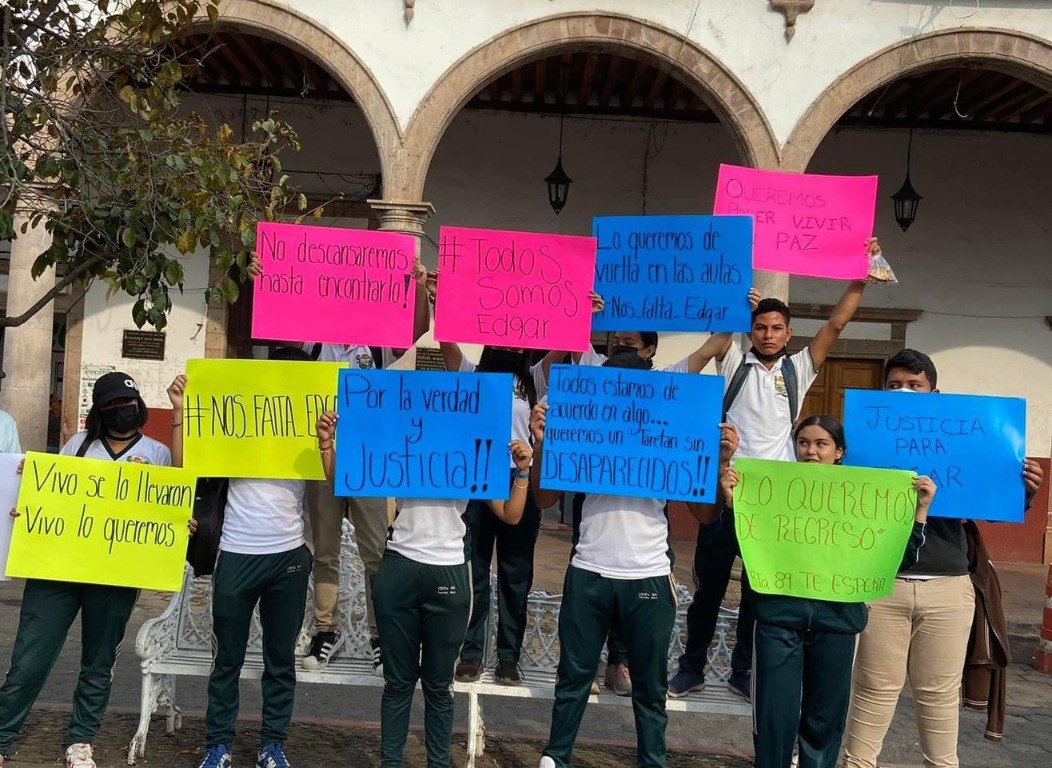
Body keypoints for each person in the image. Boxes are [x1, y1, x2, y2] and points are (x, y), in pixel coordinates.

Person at [671, 243, 879, 701]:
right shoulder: (732, 362)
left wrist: (860, 275)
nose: (768, 334)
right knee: (707, 589)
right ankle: (692, 666)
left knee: (757, 591)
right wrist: (731, 305)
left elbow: (837, 324)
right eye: (760, 327)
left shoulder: (799, 369)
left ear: (788, 333)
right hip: (726, 492)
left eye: (776, 328)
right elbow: (716, 342)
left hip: (775, 503)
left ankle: (743, 670)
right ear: (752, 330)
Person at [530, 351, 741, 768]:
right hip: (590, 568)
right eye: (614, 388)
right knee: (573, 677)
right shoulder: (584, 427)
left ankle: (652, 760)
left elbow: (703, 514)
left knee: (649, 686)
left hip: (648, 575)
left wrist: (720, 462)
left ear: (653, 393)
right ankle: (556, 757)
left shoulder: (671, 431)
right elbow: (544, 498)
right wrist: (543, 445)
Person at [842, 349, 1045, 768]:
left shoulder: (963, 440)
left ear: (935, 392)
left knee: (937, 694)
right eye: (895, 384)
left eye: (915, 385)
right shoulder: (862, 443)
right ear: (883, 391)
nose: (905, 392)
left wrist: (1024, 490)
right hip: (882, 585)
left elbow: (994, 504)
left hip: (949, 588)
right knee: (873, 689)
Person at [315, 410, 533, 768]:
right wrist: (327, 443)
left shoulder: (471, 452)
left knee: (438, 684)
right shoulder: (402, 446)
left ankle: (437, 762)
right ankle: (391, 763)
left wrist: (522, 471)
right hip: (400, 565)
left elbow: (510, 514)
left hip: (447, 571)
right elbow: (346, 481)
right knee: (398, 682)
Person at [722, 414, 932, 768]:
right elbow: (745, 547)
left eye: (821, 444)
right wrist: (733, 506)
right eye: (804, 443)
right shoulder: (772, 490)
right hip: (778, 620)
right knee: (774, 719)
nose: (811, 451)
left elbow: (899, 560)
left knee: (825, 720)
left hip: (837, 622)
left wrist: (921, 511)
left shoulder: (866, 497)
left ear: (839, 451)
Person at [0, 373, 175, 768]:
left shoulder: (158, 453)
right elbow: (50, 495)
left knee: (99, 663)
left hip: (115, 576)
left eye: (128, 403)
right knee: (28, 658)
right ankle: (3, 734)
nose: (122, 411)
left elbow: (166, 512)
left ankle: (81, 739)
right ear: (99, 412)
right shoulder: (77, 446)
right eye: (112, 406)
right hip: (57, 570)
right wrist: (26, 508)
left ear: (140, 405)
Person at [169, 346, 315, 768]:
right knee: (226, 659)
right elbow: (184, 465)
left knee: (280, 660)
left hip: (288, 556)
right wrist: (179, 410)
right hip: (235, 552)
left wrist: (328, 438)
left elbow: (336, 476)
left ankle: (273, 744)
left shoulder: (310, 426)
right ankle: (218, 743)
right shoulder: (238, 415)